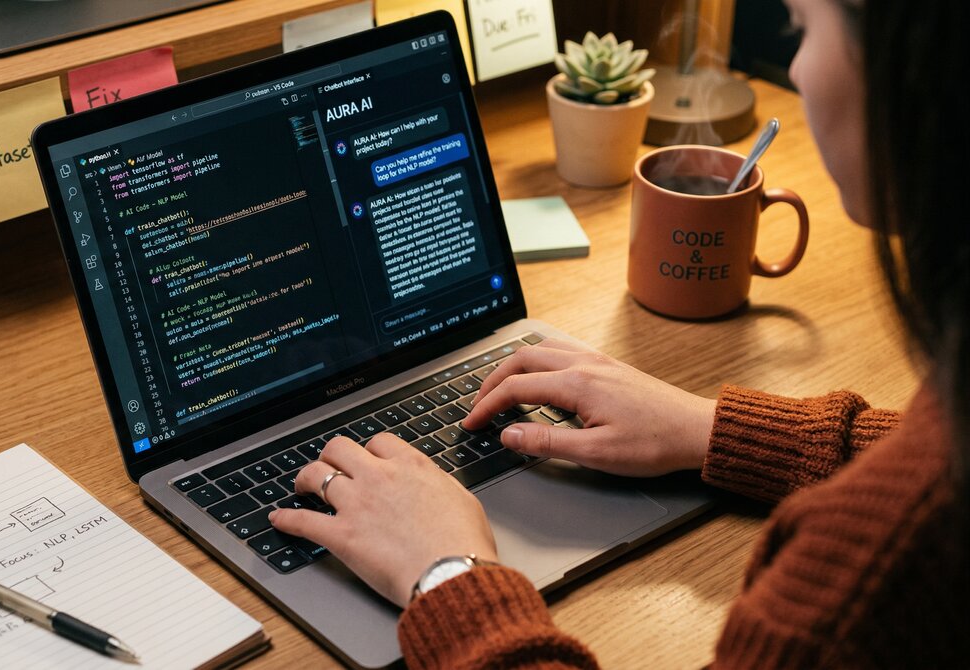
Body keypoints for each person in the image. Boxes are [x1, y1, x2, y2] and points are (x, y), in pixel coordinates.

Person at [270, 0, 969, 666]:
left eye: (802, 27)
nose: (795, 72)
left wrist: (449, 576)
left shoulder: (860, 588)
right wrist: (712, 428)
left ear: (916, 70)